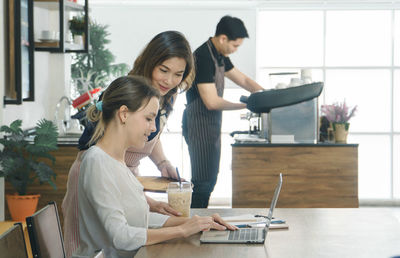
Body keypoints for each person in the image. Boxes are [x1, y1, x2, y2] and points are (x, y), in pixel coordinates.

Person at [62, 30, 195, 257]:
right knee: (86, 246)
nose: (169, 81)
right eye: (163, 70)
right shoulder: (128, 94)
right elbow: (96, 155)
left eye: (177, 74)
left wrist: (161, 162)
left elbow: (155, 133)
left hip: (122, 172)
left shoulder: (166, 96)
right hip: (98, 175)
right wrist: (143, 199)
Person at [73, 75, 236, 258]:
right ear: (124, 114)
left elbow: (140, 220)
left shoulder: (117, 161)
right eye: (149, 118)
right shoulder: (97, 162)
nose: (153, 128)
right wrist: (183, 230)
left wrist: (195, 222)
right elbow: (121, 237)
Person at [183, 16, 264, 208]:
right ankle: (193, 224)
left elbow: (243, 80)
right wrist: (248, 105)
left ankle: (199, 223)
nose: (235, 50)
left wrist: (265, 95)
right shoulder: (203, 57)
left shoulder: (218, 55)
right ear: (222, 39)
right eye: (235, 45)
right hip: (198, 124)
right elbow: (211, 102)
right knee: (202, 182)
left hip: (210, 125)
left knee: (210, 180)